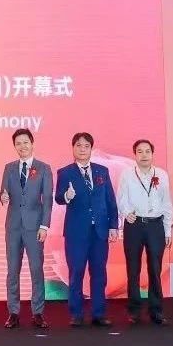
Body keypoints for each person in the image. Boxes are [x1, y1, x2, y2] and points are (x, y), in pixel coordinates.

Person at [55, 132, 119, 327]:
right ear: (73, 148)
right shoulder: (65, 172)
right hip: (76, 233)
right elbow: (58, 198)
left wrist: (113, 226)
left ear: (91, 149)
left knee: (99, 273)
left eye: (86, 146)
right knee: (76, 272)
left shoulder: (102, 171)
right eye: (79, 145)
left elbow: (110, 201)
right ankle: (76, 314)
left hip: (99, 232)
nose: (82, 149)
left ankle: (99, 313)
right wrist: (67, 195)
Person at [0, 128, 53, 329]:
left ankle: (37, 312)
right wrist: (3, 197)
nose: (22, 146)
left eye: (25, 142)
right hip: (13, 226)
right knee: (12, 270)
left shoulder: (43, 168)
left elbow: (47, 200)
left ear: (32, 143)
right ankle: (13, 312)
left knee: (36, 269)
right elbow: (3, 193)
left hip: (34, 227)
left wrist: (44, 226)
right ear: (15, 146)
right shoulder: (9, 168)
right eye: (18, 143)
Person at [116, 139, 173, 326]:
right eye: (140, 151)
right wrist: (127, 212)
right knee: (133, 269)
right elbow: (121, 197)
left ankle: (156, 310)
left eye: (147, 151)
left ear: (152, 154)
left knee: (155, 269)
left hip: (156, 226)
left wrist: (168, 229)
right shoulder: (127, 174)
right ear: (135, 155)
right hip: (134, 225)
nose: (144, 155)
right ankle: (134, 311)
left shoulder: (162, 174)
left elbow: (167, 203)